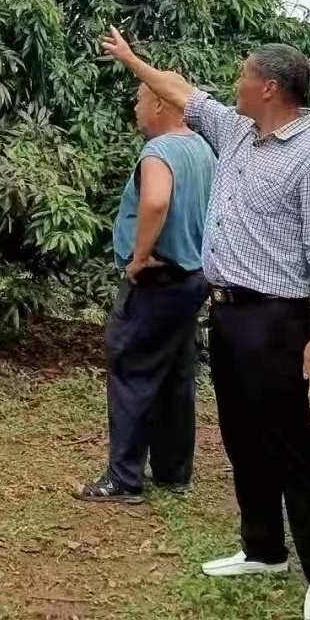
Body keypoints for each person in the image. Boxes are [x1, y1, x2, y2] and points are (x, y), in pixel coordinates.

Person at [102, 28, 310, 620]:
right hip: (229, 310)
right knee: (242, 437)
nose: (233, 83)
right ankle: (264, 548)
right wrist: (134, 58)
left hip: (278, 317)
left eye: (244, 75)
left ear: (269, 87)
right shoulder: (238, 133)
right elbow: (181, 91)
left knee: (291, 443)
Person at [75, 83, 215, 505]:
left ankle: (124, 478)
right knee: (175, 373)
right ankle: (174, 472)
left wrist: (138, 257)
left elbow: (155, 202)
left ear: (159, 103)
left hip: (156, 280)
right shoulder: (204, 151)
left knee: (132, 371)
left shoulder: (160, 151)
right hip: (191, 279)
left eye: (138, 99)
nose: (135, 108)